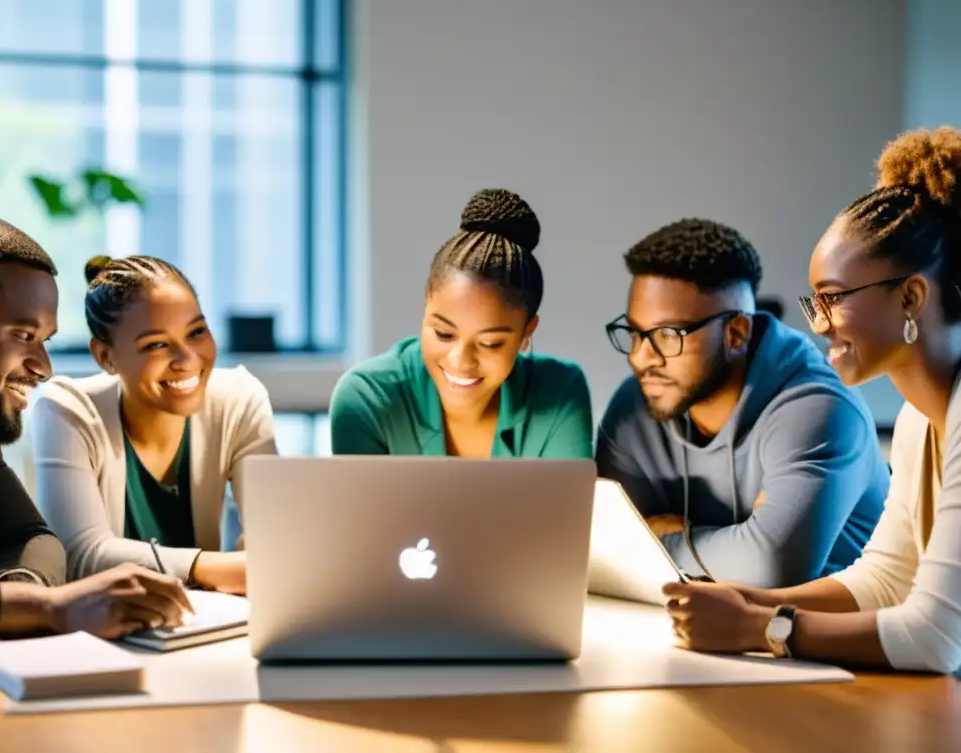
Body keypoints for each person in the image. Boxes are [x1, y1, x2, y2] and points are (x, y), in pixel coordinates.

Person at [662, 126, 961, 674]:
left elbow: (937, 636)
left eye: (833, 299)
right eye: (814, 302)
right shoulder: (922, 418)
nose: (819, 324)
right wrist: (740, 600)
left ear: (912, 297)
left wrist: (759, 628)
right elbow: (887, 580)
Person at [0, 204, 191, 653]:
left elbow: (30, 539)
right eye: (23, 335)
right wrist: (51, 607)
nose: (43, 367)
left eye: (45, 340)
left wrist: (15, 593)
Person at [596, 219, 888, 587]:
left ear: (735, 333)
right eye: (635, 333)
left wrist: (662, 539)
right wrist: (740, 542)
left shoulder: (820, 408)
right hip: (690, 630)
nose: (640, 359)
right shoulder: (635, 405)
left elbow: (771, 565)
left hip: (828, 636)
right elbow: (600, 546)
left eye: (668, 335)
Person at [28, 255, 277, 594]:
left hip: (204, 626)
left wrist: (261, 557)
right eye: (156, 344)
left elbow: (274, 545)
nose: (188, 359)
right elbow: (81, 557)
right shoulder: (67, 410)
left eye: (197, 332)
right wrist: (224, 568)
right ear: (106, 357)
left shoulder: (238, 400)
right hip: (102, 634)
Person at [330, 188, 592, 458]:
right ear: (425, 308)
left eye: (490, 343)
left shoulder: (560, 393)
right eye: (443, 334)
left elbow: (564, 501)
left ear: (527, 332)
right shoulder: (366, 398)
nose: (460, 361)